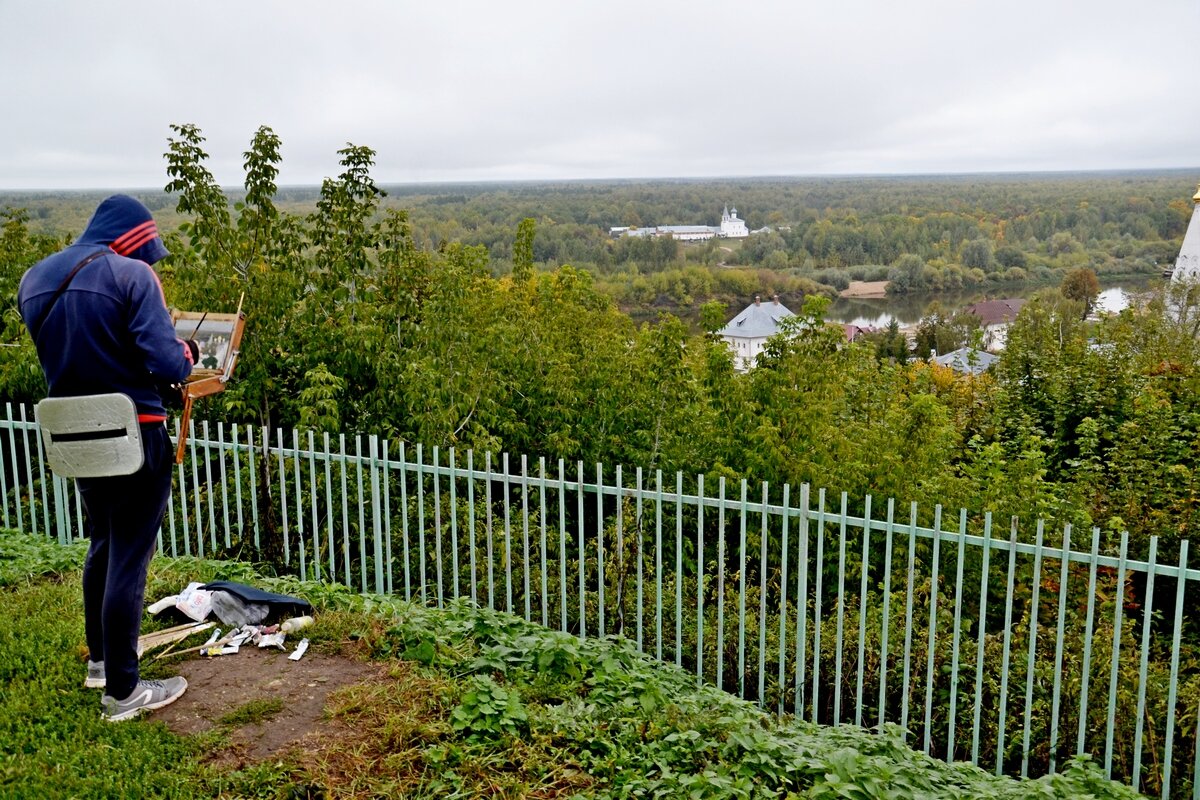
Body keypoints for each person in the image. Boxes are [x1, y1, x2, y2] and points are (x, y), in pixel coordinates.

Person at [17, 194, 197, 722]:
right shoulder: (131, 276)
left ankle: (101, 662)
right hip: (134, 432)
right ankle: (124, 693)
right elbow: (167, 362)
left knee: (102, 542)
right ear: (130, 240)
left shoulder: (35, 278)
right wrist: (187, 355)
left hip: (72, 436)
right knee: (130, 558)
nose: (148, 262)